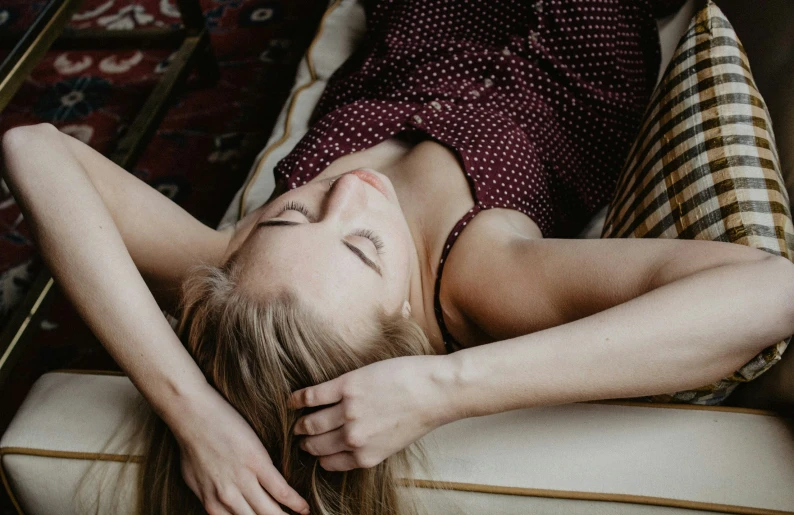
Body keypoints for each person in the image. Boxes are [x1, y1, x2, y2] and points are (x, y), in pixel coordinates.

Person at [3, 0, 794, 513]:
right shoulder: (481, 278)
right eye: (363, 244)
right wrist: (443, 388)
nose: (348, 190)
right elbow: (769, 290)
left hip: (427, 23)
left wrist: (195, 414)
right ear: (407, 326)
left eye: (293, 213)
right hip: (574, 31)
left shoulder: (239, 266)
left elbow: (34, 146)